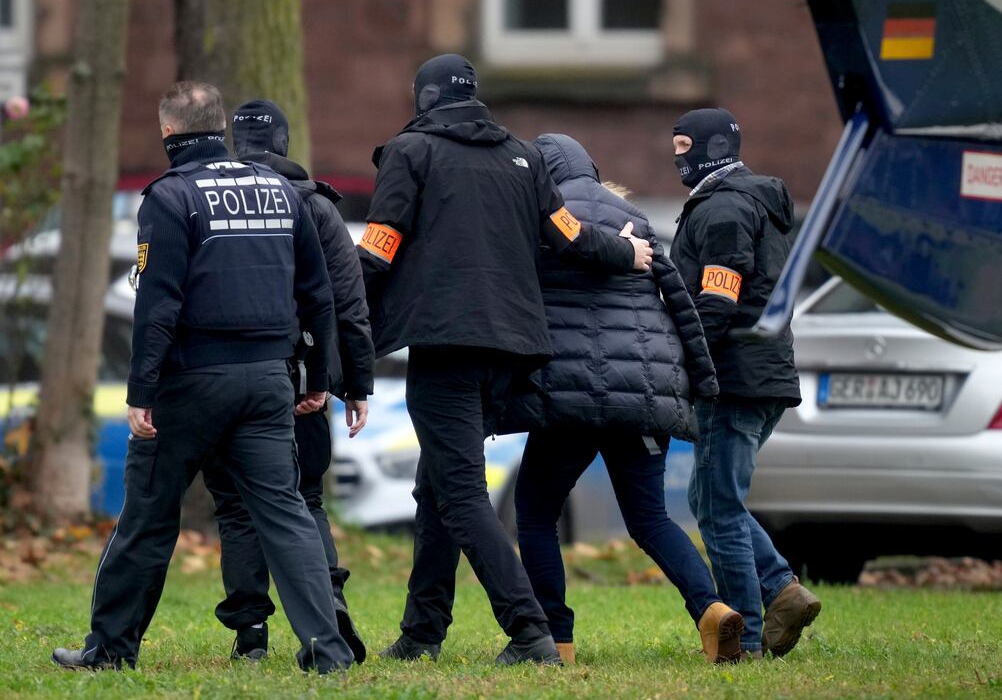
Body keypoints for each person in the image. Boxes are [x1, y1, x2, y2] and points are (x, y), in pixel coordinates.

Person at [359, 54, 654, 665]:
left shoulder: (409, 154)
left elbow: (379, 249)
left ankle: (529, 631)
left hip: (445, 347)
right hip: (512, 350)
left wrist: (332, 318)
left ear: (424, 100)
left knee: (461, 493)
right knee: (438, 487)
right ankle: (422, 632)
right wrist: (626, 254)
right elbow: (569, 235)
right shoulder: (522, 158)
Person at [51, 81, 353, 674]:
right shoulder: (280, 191)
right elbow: (317, 296)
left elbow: (157, 304)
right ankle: (329, 652)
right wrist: (316, 376)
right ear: (223, 129)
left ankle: (110, 649)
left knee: (148, 514)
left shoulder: (169, 197)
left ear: (168, 133)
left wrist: (142, 392)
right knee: (286, 514)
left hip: (190, 382)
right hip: (269, 380)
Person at [501, 133, 744, 665]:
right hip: (640, 395)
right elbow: (680, 303)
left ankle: (555, 641)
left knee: (537, 514)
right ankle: (711, 611)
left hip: (565, 398)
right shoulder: (632, 215)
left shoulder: (536, 218)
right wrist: (701, 384)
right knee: (651, 519)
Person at [196, 99, 374, 663]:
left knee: (235, 505)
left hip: (225, 374)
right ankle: (332, 606)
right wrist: (357, 383)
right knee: (306, 498)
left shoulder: (209, 202)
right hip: (303, 379)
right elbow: (349, 304)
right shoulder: (316, 208)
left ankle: (251, 636)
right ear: (284, 143)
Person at [669, 108, 820, 659]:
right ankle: (781, 589)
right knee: (713, 498)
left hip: (735, 377)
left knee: (720, 506)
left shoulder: (726, 208)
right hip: (768, 372)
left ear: (710, 147)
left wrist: (687, 365)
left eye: (684, 144)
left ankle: (747, 640)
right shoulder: (755, 200)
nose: (677, 156)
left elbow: (718, 300)